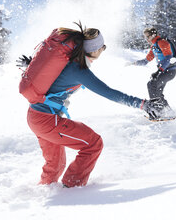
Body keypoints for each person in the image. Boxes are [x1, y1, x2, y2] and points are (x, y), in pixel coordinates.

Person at [23, 22, 158, 188]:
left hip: (35, 116)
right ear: (93, 50)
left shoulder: (68, 61)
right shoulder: (78, 70)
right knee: (93, 144)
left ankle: (44, 192)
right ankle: (72, 190)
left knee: (55, 165)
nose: (103, 50)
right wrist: (143, 104)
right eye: (102, 47)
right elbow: (109, 93)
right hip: (48, 121)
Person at [131, 27, 176, 111]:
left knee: (152, 84)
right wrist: (133, 63)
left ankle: (157, 110)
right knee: (158, 92)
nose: (146, 39)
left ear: (153, 35)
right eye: (145, 37)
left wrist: (159, 71)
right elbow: (146, 60)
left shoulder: (162, 42)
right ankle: (168, 111)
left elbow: (168, 57)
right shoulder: (154, 46)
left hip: (169, 71)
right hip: (164, 71)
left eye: (147, 36)